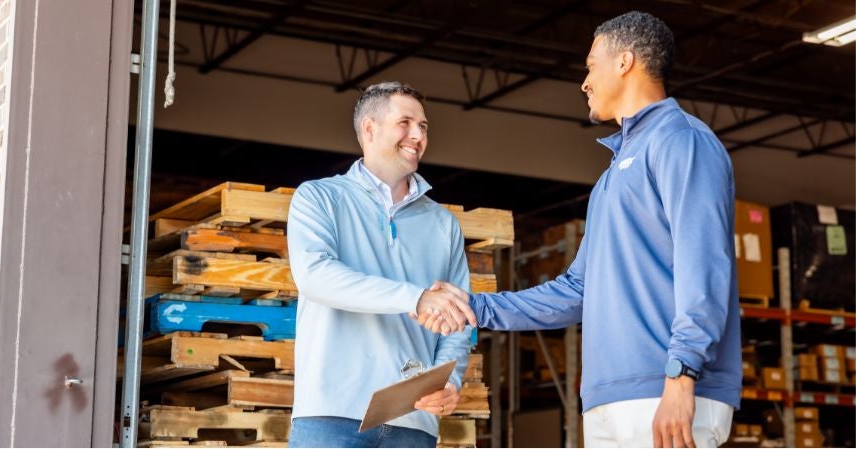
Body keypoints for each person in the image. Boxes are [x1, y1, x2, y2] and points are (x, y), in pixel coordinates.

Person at [418, 11, 741, 448]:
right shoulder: (612, 175)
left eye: (591, 65)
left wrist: (681, 374)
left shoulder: (682, 141)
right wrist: (475, 307)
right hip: (610, 395)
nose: (584, 82)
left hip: (665, 390)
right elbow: (577, 290)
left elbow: (704, 266)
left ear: (625, 62)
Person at [286, 81, 476, 448]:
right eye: (405, 123)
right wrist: (416, 298)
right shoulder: (319, 197)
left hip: (413, 422)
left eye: (423, 127)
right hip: (331, 414)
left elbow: (458, 317)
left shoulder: (443, 223)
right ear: (369, 129)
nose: (417, 135)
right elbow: (317, 278)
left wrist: (450, 381)